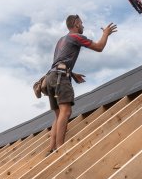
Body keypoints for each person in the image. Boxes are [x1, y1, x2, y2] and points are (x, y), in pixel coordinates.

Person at [45, 14, 117, 155]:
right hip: (60, 78)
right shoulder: (76, 37)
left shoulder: (61, 40)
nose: (83, 26)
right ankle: (60, 148)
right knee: (66, 112)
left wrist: (72, 74)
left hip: (51, 77)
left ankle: (51, 148)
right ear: (76, 24)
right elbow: (99, 47)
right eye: (82, 23)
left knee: (59, 114)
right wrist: (106, 34)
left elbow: (58, 62)